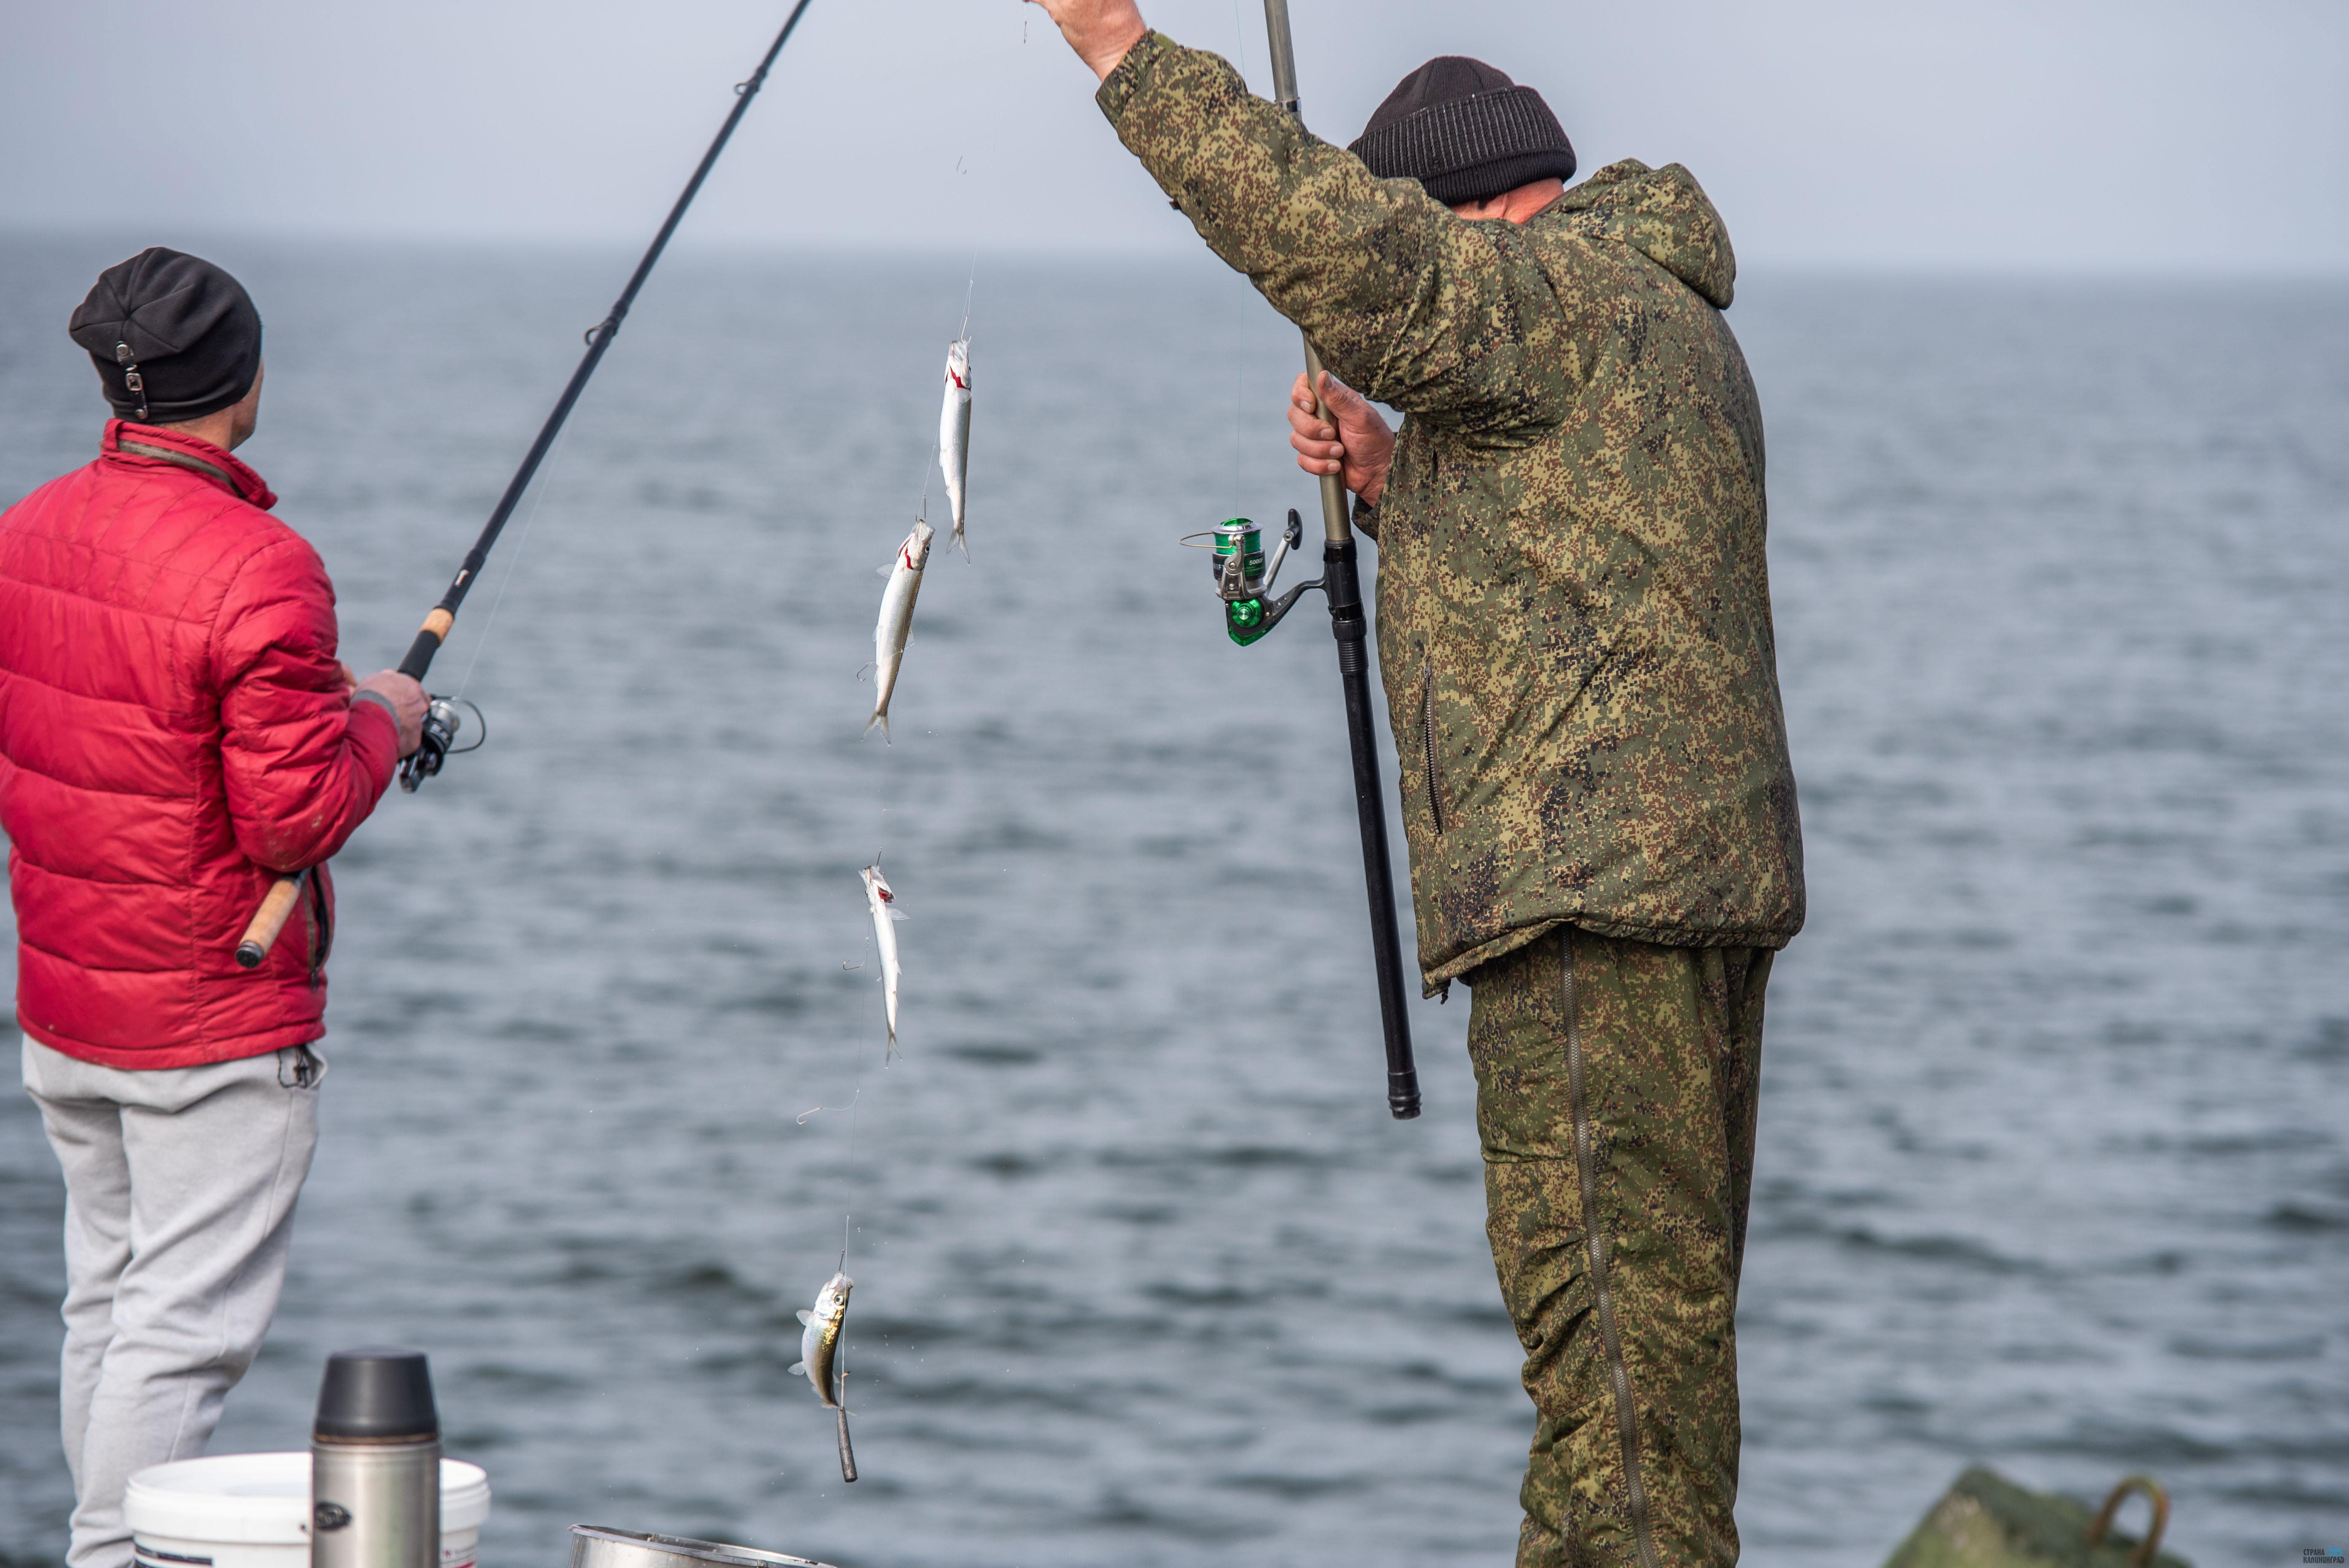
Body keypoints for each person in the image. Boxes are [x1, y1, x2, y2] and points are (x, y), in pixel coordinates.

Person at [1028, 5, 1805, 1565]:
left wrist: (1118, 45)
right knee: (1658, 1364)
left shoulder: (1545, 296)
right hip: (1683, 903)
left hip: (1588, 912)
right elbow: (1579, 559)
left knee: (1614, 1406)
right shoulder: (1653, 313)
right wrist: (1396, 479)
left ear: (1470, 223)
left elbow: (1348, 260)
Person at [0, 247, 427, 1568]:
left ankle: (99, 1546)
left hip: (69, 1009)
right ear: (242, 383)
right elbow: (294, 819)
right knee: (180, 1332)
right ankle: (108, 1558)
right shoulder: (263, 567)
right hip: (210, 1031)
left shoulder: (25, 532)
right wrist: (382, 715)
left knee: (110, 1310)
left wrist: (318, 708)